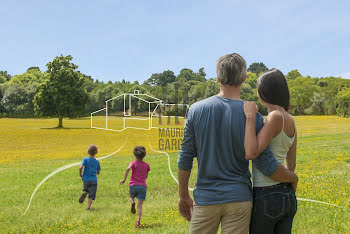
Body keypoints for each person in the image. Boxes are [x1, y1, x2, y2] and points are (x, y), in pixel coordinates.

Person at [177, 53, 298, 234]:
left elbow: (185, 157)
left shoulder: (196, 110)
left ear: (218, 78)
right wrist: (291, 177)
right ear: (244, 78)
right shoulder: (253, 115)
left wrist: (183, 195)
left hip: (206, 198)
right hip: (240, 199)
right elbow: (264, 162)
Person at [243, 68, 297, 234]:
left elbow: (253, 152)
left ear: (263, 93)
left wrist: (250, 118)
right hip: (287, 195)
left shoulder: (274, 117)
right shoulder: (291, 120)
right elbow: (291, 164)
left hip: (266, 194)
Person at [120, 146, 150, 228]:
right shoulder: (147, 165)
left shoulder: (132, 163)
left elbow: (127, 169)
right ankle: (138, 222)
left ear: (135, 155)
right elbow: (146, 176)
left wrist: (124, 179)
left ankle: (132, 202)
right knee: (140, 206)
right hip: (142, 186)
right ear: (144, 155)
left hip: (133, 185)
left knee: (131, 197)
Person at [79, 144, 101, 211]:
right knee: (92, 194)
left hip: (86, 179)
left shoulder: (85, 159)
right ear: (96, 153)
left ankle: (85, 192)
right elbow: (98, 172)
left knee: (86, 190)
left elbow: (80, 167)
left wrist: (80, 173)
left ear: (88, 152)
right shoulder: (97, 162)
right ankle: (88, 207)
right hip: (94, 180)